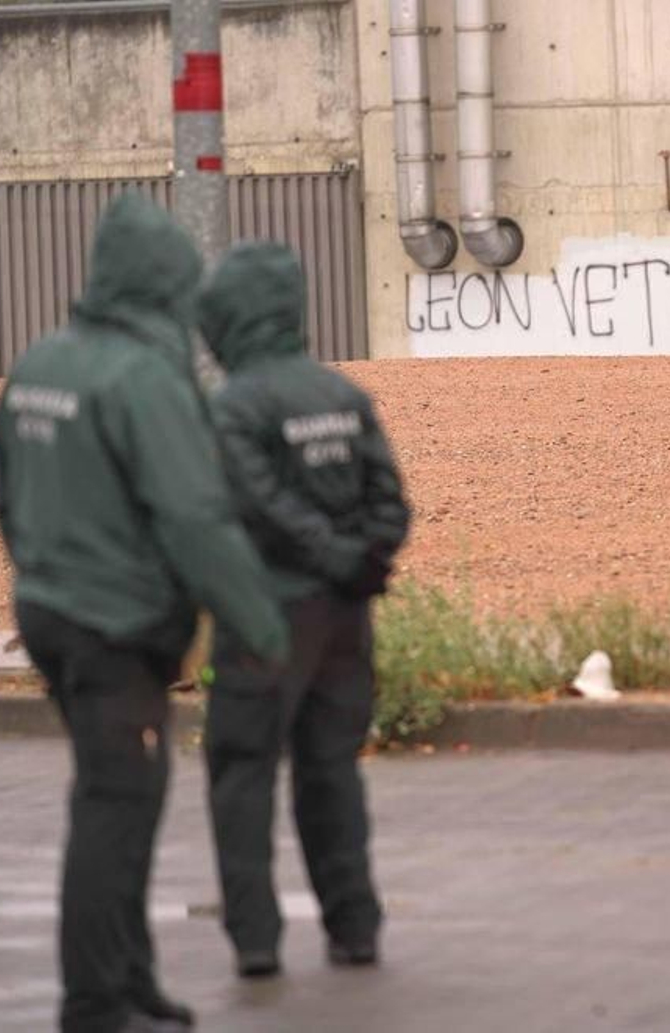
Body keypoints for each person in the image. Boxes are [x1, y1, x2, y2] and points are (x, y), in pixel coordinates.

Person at [0, 194, 291, 1033]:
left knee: (124, 790)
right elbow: (196, 517)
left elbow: (4, 483)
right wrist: (263, 627)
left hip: (53, 612)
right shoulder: (143, 379)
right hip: (115, 627)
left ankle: (133, 981)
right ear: (164, 285)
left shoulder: (41, 363)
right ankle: (95, 1000)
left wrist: (42, 569)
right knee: (115, 804)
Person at [197, 242, 411, 980]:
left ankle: (256, 938)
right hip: (346, 617)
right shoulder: (342, 397)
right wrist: (363, 560)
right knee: (332, 770)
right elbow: (390, 499)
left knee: (243, 772)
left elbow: (259, 501)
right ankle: (355, 927)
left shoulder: (233, 405)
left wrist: (325, 552)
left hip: (265, 616)